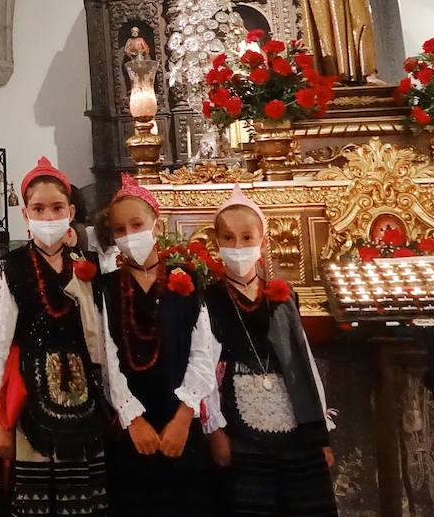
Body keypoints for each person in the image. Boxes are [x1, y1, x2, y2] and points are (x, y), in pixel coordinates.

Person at [0, 157, 109, 517]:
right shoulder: (11, 267)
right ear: (26, 214)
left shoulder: (86, 265)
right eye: (38, 208)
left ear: (70, 211)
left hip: (82, 394)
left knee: (79, 495)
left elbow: (99, 338)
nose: (48, 216)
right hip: (28, 394)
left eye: (56, 208)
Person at [203, 188, 337, 517]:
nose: (238, 247)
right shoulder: (209, 297)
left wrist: (320, 434)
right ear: (217, 243)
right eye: (229, 238)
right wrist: (215, 432)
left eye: (247, 237)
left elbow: (302, 363)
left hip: (293, 419)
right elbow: (204, 368)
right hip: (240, 425)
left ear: (263, 243)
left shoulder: (281, 294)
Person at [96, 174, 220, 517]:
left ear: (156, 223)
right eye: (119, 230)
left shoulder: (187, 279)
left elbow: (202, 353)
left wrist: (184, 416)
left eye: (136, 224)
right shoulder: (105, 289)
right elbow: (107, 358)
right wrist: (133, 419)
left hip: (180, 421)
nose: (128, 235)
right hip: (131, 430)